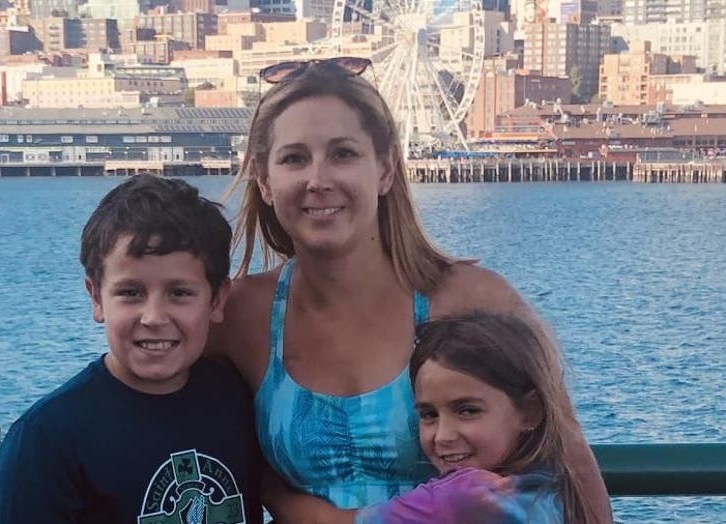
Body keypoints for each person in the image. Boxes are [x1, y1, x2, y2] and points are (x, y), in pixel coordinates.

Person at [208, 57, 612, 522]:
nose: (318, 180)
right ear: (265, 179)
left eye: (343, 154)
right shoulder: (240, 315)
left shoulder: (471, 300)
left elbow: (570, 463)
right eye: (294, 158)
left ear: (384, 170)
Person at [0, 175, 263, 524]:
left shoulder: (239, 402)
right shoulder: (46, 442)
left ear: (217, 299)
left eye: (180, 293)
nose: (153, 317)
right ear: (96, 297)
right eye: (130, 293)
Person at [353, 310, 591, 523]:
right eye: (429, 415)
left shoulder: (463, 497)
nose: (442, 436)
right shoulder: (553, 483)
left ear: (530, 412)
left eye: (467, 411)